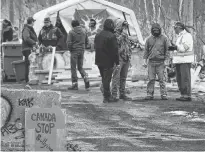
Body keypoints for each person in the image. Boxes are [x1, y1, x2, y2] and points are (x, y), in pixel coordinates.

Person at [94, 19, 119, 103]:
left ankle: (107, 96)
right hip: (108, 61)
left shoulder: (98, 35)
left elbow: (95, 46)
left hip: (99, 60)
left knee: (104, 78)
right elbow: (115, 50)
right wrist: (117, 62)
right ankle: (107, 97)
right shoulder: (111, 36)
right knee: (107, 79)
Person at [143, 23, 169, 100]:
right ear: (152, 30)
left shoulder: (164, 38)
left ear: (160, 30)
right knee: (151, 79)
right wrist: (144, 61)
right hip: (151, 62)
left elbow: (167, 50)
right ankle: (149, 94)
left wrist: (167, 61)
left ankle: (163, 94)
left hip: (161, 62)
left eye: (157, 30)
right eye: (154, 30)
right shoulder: (148, 39)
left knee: (162, 79)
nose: (156, 31)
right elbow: (146, 51)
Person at [169, 22, 194, 101]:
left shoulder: (187, 36)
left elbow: (184, 48)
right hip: (179, 61)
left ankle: (187, 95)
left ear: (179, 28)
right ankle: (183, 94)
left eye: (175, 28)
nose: (174, 30)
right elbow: (178, 49)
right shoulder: (180, 37)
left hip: (185, 61)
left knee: (185, 78)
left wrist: (176, 47)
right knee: (179, 78)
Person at [111, 19, 132, 101]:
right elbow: (116, 43)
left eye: (126, 26)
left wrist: (129, 54)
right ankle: (114, 94)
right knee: (116, 77)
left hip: (126, 57)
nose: (125, 27)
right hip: (118, 58)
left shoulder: (125, 35)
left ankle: (122, 94)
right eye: (123, 25)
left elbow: (128, 45)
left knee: (123, 77)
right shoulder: (114, 34)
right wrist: (123, 34)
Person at [67, 20, 90, 90]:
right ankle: (86, 78)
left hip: (74, 51)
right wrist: (83, 48)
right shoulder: (84, 31)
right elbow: (87, 42)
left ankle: (74, 84)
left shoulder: (71, 32)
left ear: (72, 25)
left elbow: (69, 43)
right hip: (82, 50)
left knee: (73, 68)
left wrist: (70, 49)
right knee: (80, 67)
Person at [22, 17, 38, 88]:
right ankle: (28, 79)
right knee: (28, 64)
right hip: (27, 49)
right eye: (33, 22)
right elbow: (26, 38)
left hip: (28, 48)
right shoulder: (26, 29)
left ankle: (29, 79)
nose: (34, 23)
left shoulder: (28, 29)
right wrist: (34, 43)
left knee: (29, 64)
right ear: (31, 22)